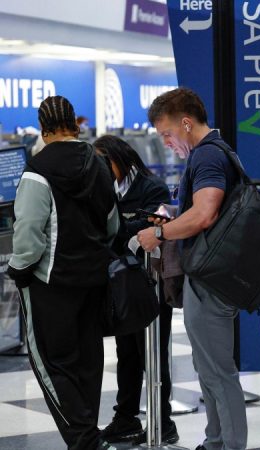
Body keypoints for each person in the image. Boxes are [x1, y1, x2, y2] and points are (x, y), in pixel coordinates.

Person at [137, 88, 247, 450]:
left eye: (167, 134)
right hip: (211, 275)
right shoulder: (213, 153)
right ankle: (215, 441)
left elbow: (205, 214)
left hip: (211, 280)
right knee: (208, 369)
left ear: (186, 123)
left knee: (218, 371)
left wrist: (159, 232)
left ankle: (228, 444)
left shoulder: (208, 158)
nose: (167, 143)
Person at [8, 95, 119, 450]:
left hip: (50, 284)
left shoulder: (37, 171)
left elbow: (27, 233)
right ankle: (89, 433)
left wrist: (19, 269)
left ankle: (85, 440)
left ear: (43, 127)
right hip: (94, 280)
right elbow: (112, 223)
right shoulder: (99, 164)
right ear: (74, 123)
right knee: (88, 359)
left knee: (52, 364)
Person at [93, 135, 178, 445]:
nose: (101, 170)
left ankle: (163, 420)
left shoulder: (150, 187)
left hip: (148, 283)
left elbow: (153, 229)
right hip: (119, 283)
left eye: (105, 162)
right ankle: (125, 416)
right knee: (126, 352)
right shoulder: (102, 189)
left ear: (119, 158)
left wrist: (122, 230)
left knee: (151, 352)